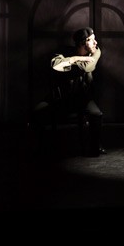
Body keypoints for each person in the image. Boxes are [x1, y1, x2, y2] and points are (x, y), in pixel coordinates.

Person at [33, 26, 106, 157]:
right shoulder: (64, 52)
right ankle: (38, 149)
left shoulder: (96, 51)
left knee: (96, 114)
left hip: (81, 99)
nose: (96, 42)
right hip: (58, 98)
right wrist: (75, 59)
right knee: (36, 113)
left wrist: (67, 64)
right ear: (82, 42)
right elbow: (55, 65)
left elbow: (87, 66)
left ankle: (95, 147)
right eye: (92, 40)